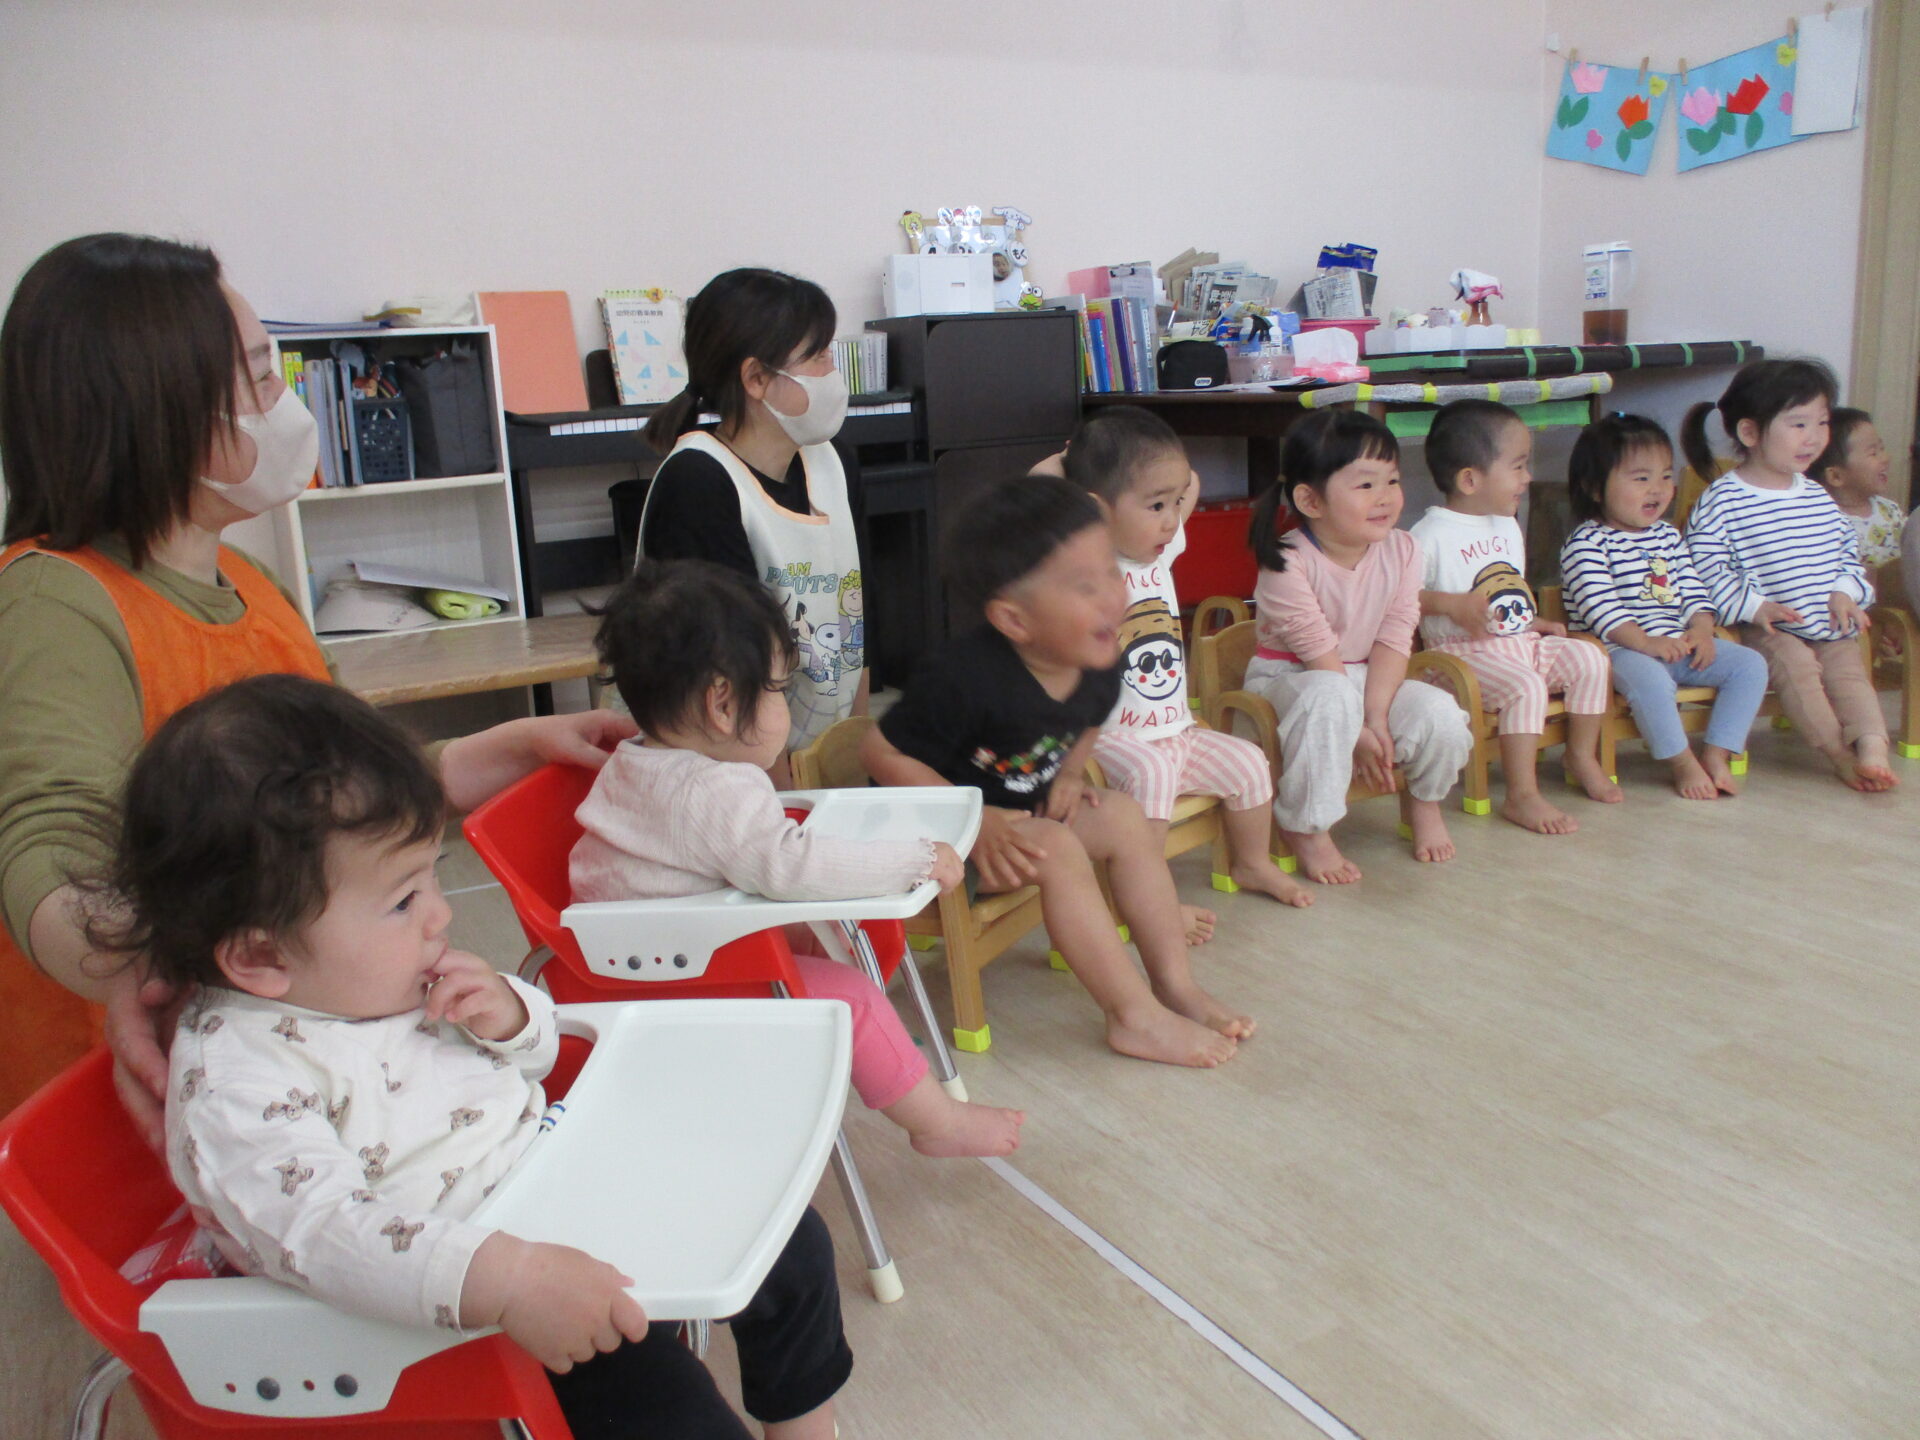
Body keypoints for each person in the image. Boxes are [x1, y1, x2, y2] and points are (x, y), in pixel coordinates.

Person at [97, 674, 845, 1440]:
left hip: (559, 1188)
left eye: (432, 877)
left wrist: (510, 1017)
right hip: (475, 1310)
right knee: (669, 1405)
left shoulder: (368, 975)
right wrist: (510, 1280)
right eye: (403, 900)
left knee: (794, 1248)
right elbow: (323, 1235)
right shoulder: (238, 1084)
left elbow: (538, 1057)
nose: (439, 914)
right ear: (260, 956)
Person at [0, 233, 633, 1129]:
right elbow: (46, 853)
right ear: (158, 406)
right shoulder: (53, 601)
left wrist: (520, 744)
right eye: (262, 379)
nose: (286, 407)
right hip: (173, 1094)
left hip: (312, 1065)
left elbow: (346, 806)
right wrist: (152, 973)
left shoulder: (249, 585)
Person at [570, 559, 1023, 1158]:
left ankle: (879, 1061)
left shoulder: (634, 758)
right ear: (722, 704)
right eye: (779, 690)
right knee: (850, 998)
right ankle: (936, 1122)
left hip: (624, 957)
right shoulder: (711, 790)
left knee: (822, 938)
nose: (786, 705)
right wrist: (912, 860)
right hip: (675, 974)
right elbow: (789, 867)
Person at [862, 474, 1252, 1070]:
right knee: (1057, 846)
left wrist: (1069, 776)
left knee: (1122, 817)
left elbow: (1089, 720)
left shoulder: (1095, 657)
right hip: (930, 845)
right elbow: (880, 753)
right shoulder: (963, 679)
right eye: (1083, 586)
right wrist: (974, 820)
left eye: (1110, 573)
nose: (1112, 597)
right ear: (1015, 620)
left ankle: (1175, 986)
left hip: (1016, 818)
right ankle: (1133, 1017)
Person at [1056, 409, 1311, 908]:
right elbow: (1040, 491)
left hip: (1177, 729)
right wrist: (1065, 462)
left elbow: (1188, 480)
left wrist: (1166, 495)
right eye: (1156, 506)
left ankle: (1251, 862)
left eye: (1174, 505)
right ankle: (1150, 897)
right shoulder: (1085, 563)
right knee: (1153, 773)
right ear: (1094, 510)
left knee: (1248, 761)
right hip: (1112, 739)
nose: (1173, 519)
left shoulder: (1162, 550)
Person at [638, 268, 866, 754]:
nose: (833, 374)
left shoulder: (834, 460)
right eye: (819, 357)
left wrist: (855, 759)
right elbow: (726, 678)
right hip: (730, 758)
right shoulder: (698, 484)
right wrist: (783, 792)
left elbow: (861, 619)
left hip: (815, 749)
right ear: (757, 378)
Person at [1242, 410, 1472, 881]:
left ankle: (1424, 803)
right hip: (1295, 679)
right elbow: (1317, 652)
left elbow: (1395, 636)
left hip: (1365, 675)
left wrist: (1375, 718)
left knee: (1441, 713)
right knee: (1331, 697)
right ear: (1311, 500)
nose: (1385, 497)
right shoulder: (1287, 561)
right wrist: (1358, 728)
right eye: (1366, 485)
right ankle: (1306, 828)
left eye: (1392, 480)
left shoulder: (1404, 549)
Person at [1681, 359, 1895, 792]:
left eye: (1822, 423)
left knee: (1850, 676)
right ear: (1750, 433)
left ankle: (1873, 749)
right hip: (1767, 628)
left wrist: (1845, 592)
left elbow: (1846, 556)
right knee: (1797, 668)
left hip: (1827, 622)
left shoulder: (1816, 495)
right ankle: (1838, 755)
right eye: (1798, 424)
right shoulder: (1724, 500)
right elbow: (1702, 571)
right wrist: (1754, 606)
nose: (1814, 437)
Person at [1409, 399, 1619, 834]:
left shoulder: (1505, 523)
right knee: (1525, 686)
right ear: (1470, 479)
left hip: (1517, 644)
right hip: (1459, 657)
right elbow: (1398, 600)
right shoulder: (1427, 536)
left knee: (1591, 659)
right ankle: (1522, 794)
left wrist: (1532, 622)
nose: (1529, 477)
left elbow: (1508, 590)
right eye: (1519, 466)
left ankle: (1580, 756)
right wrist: (1449, 604)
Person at [1559, 414, 1768, 799]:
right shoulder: (1586, 543)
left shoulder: (1669, 537)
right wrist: (1646, 643)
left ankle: (1717, 753)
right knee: (1652, 682)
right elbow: (1602, 610)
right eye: (1641, 478)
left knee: (1750, 665)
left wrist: (1702, 630)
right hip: (1618, 651)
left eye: (1666, 476)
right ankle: (1683, 763)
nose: (1657, 489)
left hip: (1677, 644)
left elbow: (1693, 590)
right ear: (1593, 487)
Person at [1813, 406, 1906, 611]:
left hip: (1900, 607)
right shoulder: (1825, 521)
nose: (1885, 458)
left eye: (1881, 448)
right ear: (1836, 476)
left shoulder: (1889, 510)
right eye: (1873, 453)